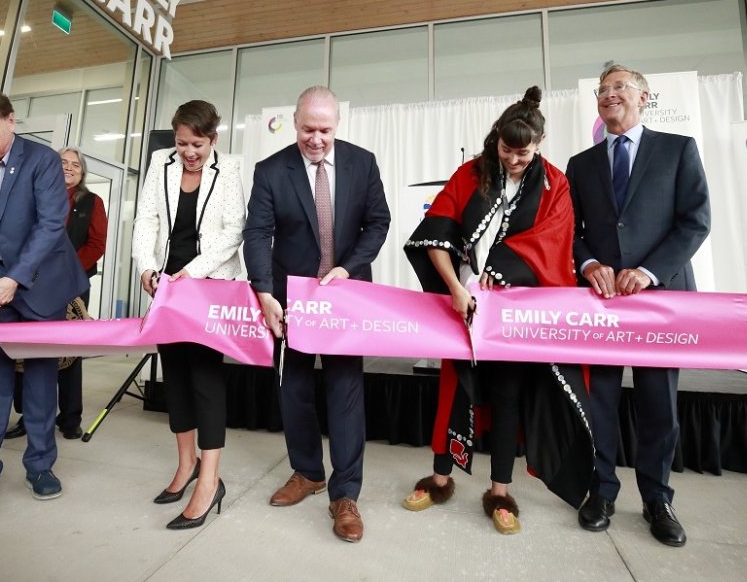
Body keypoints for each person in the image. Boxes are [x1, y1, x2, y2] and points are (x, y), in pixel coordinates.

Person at [402, 87, 593, 535]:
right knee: (454, 390)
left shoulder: (554, 184)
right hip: (465, 303)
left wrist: (501, 275)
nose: (513, 160)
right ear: (496, 141)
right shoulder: (471, 174)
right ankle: (440, 477)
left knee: (508, 396)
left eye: (523, 153)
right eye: (507, 150)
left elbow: (551, 245)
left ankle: (501, 491)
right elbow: (436, 234)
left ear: (539, 145)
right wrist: (456, 287)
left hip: (516, 313)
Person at [566, 64, 710, 547]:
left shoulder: (677, 149)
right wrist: (587, 264)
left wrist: (648, 272)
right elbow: (570, 234)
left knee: (658, 405)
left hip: (661, 299)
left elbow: (695, 222)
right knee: (600, 400)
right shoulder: (581, 164)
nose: (608, 95)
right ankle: (601, 491)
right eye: (601, 90)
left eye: (619, 87)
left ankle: (657, 498)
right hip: (601, 302)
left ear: (645, 97)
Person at [243, 85, 390, 543]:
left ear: (337, 126)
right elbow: (257, 233)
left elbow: (378, 221)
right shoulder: (271, 170)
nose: (317, 139)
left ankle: (345, 494)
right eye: (308, 129)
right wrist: (264, 292)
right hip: (290, 301)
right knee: (295, 390)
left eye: (325, 130)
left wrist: (349, 267)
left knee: (345, 393)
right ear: (295, 123)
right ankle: (307, 472)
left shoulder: (361, 163)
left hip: (344, 298)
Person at [0, 89, 88, 522]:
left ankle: (40, 466)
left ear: (11, 121)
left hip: (40, 281)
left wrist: (16, 277)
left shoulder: (42, 160)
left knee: (41, 378)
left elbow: (51, 225)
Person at [132, 100, 245, 530]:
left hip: (208, 284)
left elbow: (234, 231)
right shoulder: (161, 162)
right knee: (175, 375)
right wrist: (147, 265)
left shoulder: (230, 169)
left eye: (197, 144)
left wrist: (189, 272)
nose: (189, 152)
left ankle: (210, 480)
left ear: (213, 139)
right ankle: (186, 465)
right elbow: (146, 219)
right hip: (165, 286)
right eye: (182, 143)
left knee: (204, 378)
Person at [5, 146, 107, 440]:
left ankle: (70, 417)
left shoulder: (91, 201)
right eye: (62, 162)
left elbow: (97, 244)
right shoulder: (35, 196)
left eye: (75, 164)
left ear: (83, 171)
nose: (69, 167)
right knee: (31, 351)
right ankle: (29, 416)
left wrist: (66, 271)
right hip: (32, 283)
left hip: (72, 284)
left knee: (69, 353)